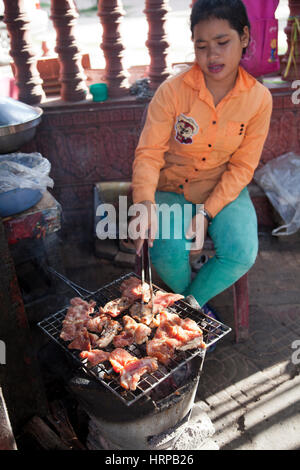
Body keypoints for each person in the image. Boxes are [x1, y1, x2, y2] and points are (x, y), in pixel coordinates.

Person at [130, 0, 273, 309]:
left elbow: (242, 166)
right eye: (202, 46)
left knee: (240, 253)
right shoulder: (172, 91)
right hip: (172, 187)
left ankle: (188, 307)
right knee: (165, 253)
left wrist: (206, 213)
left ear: (244, 37)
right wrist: (144, 201)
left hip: (224, 187)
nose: (213, 55)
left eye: (223, 42)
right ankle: (194, 310)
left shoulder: (259, 100)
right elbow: (150, 152)